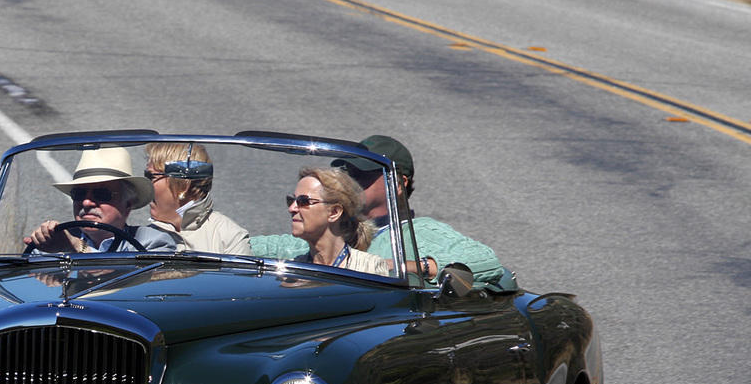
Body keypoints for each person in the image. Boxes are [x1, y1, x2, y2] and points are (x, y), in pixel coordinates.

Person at [251, 135, 503, 284]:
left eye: (362, 173)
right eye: (347, 173)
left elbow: (487, 263)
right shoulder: (332, 231)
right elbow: (251, 246)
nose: (350, 180)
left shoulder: (422, 232)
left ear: (397, 183)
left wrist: (405, 266)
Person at [25, 146, 178, 253]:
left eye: (101, 194)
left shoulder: (151, 242)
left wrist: (78, 248)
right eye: (78, 194)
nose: (86, 202)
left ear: (127, 205)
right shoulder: (54, 242)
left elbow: (140, 283)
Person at [143, 142, 252, 255]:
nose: (146, 185)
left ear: (183, 186)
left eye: (150, 176)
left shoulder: (229, 237)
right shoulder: (142, 238)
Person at [287, 166, 391, 275]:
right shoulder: (292, 271)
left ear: (334, 212)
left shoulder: (369, 268)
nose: (291, 208)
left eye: (303, 201)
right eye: (291, 200)